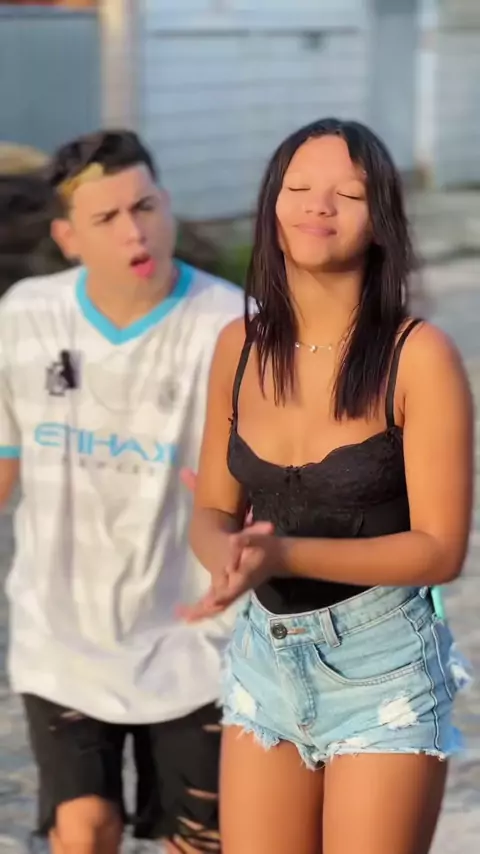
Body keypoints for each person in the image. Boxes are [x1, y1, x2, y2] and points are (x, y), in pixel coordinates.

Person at [185, 118, 474, 854]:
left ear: (381, 223)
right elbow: (212, 509)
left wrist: (281, 555)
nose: (319, 204)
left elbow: (440, 551)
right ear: (271, 207)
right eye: (299, 187)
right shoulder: (238, 346)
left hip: (384, 667)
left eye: (347, 193)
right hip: (264, 658)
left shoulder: (420, 357)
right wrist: (226, 559)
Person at [0, 129, 244, 854]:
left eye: (144, 207)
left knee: (199, 839)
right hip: (60, 636)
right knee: (85, 827)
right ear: (68, 238)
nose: (134, 232)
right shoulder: (24, 315)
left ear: (166, 204)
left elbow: (268, 479)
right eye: (106, 218)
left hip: (195, 637)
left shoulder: (235, 325)